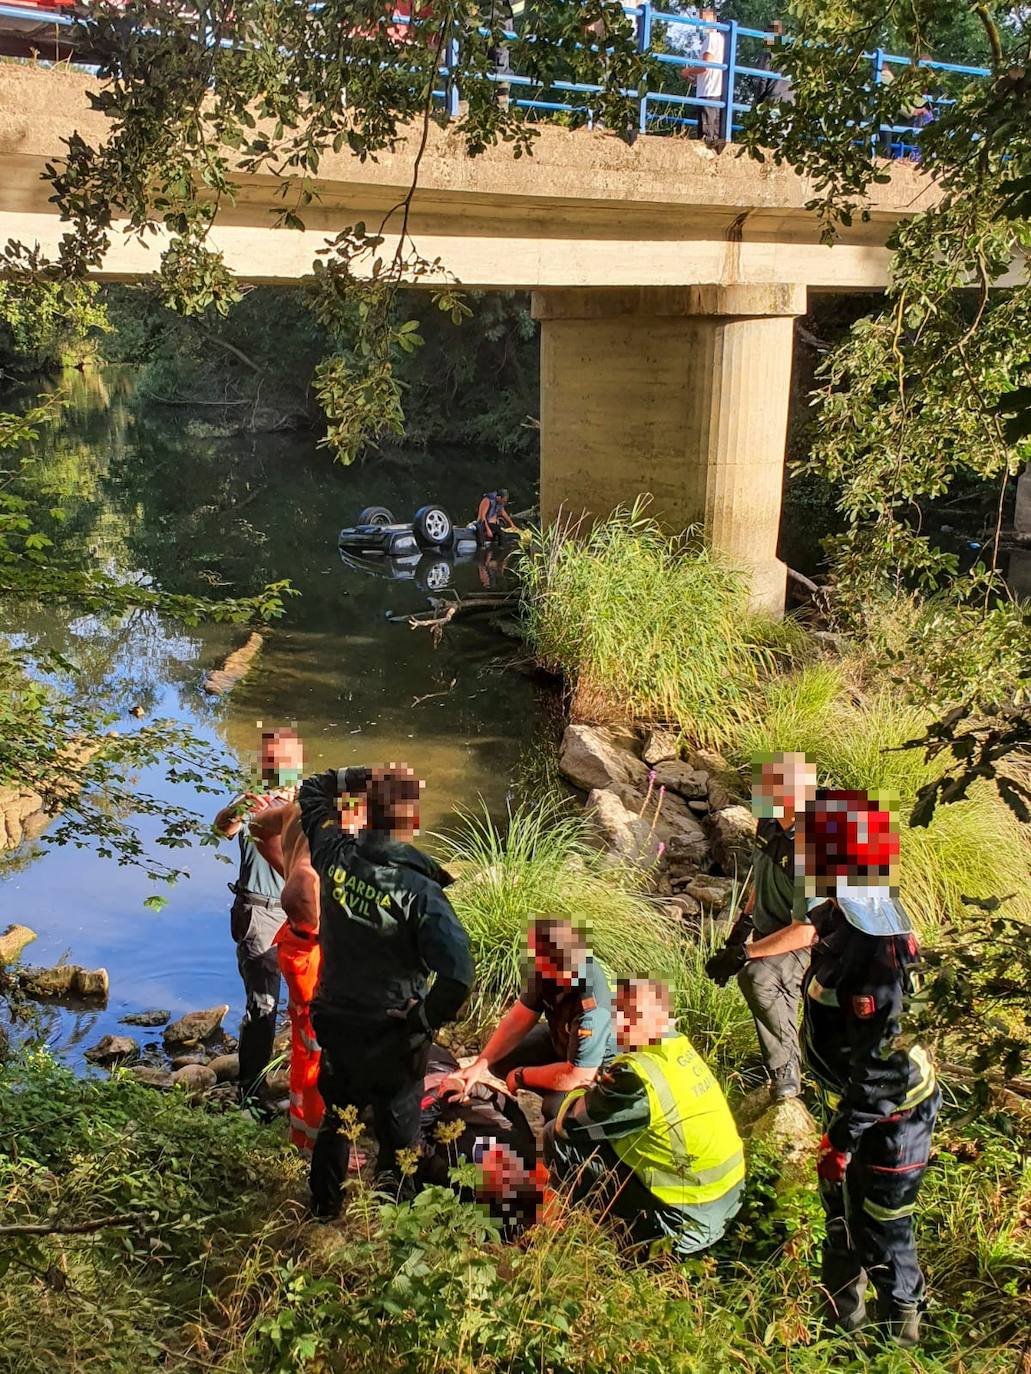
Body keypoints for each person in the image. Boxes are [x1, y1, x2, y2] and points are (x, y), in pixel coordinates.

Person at [296, 763, 474, 1218]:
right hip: (393, 1031)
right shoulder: (420, 892)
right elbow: (458, 976)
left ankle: (324, 1210)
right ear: (412, 822)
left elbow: (312, 788)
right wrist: (423, 1017)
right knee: (399, 1133)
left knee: (338, 1116)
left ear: (362, 811)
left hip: (335, 1018)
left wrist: (366, 775)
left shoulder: (333, 853)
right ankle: (392, 1222)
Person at [795, 789, 940, 1346]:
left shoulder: (874, 942)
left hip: (890, 1120)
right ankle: (842, 1326)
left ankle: (897, 1346)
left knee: (884, 1228)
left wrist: (842, 1140)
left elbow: (882, 1065)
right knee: (843, 1217)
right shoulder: (843, 913)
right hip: (853, 1106)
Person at [545, 978, 745, 1259]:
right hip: (727, 1202)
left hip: (684, 1223)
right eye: (619, 1012)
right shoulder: (678, 1049)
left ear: (662, 1016)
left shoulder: (638, 1078)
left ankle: (582, 1237)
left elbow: (570, 1123)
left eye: (634, 1016)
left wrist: (580, 1091)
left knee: (555, 1135)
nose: (622, 1024)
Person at [705, 752, 818, 1102]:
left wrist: (745, 954)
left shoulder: (813, 846)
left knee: (760, 978)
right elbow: (761, 874)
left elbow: (807, 930)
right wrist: (741, 930)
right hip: (774, 929)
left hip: (814, 939)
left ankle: (786, 1071)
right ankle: (794, 1052)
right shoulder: (769, 823)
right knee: (760, 973)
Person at [212, 726, 304, 1110]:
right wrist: (240, 810)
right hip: (260, 911)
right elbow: (222, 827)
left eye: (287, 761)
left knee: (312, 1000)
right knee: (264, 1004)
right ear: (265, 764)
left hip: (302, 911)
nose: (280, 767)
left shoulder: (307, 799)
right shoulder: (252, 801)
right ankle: (250, 1094)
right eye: (273, 760)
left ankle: (309, 1088)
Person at [446, 916, 617, 1120]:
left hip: (591, 1071)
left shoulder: (592, 1008)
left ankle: (562, 1099)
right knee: (500, 1060)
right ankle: (552, 1082)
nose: (531, 958)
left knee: (557, 1110)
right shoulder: (546, 969)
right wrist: (478, 1065)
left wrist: (521, 1076)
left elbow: (578, 1076)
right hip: (559, 1042)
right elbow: (519, 1018)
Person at [420, 1043, 550, 1235]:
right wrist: (467, 1087)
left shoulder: (458, 1178)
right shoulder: (522, 1146)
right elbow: (503, 1101)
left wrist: (427, 1104)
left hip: (409, 1087)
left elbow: (414, 1145)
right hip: (445, 1067)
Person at [680, 7, 725, 146]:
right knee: (713, 130)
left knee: (706, 134)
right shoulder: (721, 38)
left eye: (704, 19)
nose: (702, 23)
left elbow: (705, 67)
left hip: (708, 91)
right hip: (713, 90)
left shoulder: (711, 38)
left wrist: (688, 71)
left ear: (713, 20)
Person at [751, 20, 795, 108]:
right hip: (791, 103)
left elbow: (761, 81)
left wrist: (758, 102)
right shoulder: (793, 55)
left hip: (772, 102)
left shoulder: (768, 55)